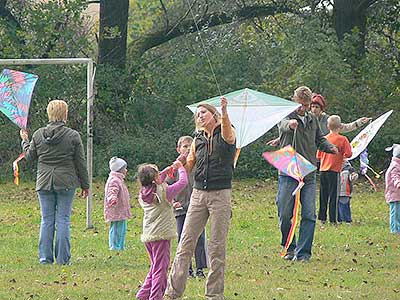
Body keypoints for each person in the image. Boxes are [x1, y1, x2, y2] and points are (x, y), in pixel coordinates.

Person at [164, 97, 236, 300]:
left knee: (216, 247)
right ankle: (172, 293)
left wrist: (224, 111)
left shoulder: (227, 134)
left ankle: (214, 295)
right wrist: (178, 168)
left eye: (203, 112)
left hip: (220, 194)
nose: (199, 116)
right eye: (197, 114)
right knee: (185, 243)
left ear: (213, 114)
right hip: (198, 195)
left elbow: (228, 132)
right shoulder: (198, 140)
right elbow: (189, 165)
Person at [20, 99, 89, 265]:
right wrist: (85, 184)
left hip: (44, 182)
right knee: (63, 219)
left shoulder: (37, 134)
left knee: (46, 220)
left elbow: (29, 157)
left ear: (49, 113)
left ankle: (45, 258)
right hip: (66, 181)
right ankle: (63, 259)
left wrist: (24, 140)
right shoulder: (73, 135)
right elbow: (80, 162)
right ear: (65, 114)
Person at [276, 86, 337, 262]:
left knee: (309, 214)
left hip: (308, 173)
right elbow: (283, 126)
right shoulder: (286, 115)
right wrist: (291, 124)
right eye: (299, 105)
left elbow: (319, 139)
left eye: (306, 105)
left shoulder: (312, 119)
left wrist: (329, 147)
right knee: (285, 213)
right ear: (293, 101)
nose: (302, 108)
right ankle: (289, 247)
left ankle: (303, 253)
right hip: (288, 170)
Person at [136, 160, 188, 300]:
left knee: (155, 266)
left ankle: (143, 294)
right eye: (158, 173)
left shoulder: (145, 193)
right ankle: (156, 296)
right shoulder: (164, 192)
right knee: (161, 269)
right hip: (161, 236)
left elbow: (160, 180)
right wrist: (181, 168)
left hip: (149, 235)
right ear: (154, 179)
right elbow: (183, 183)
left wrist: (169, 169)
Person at [167, 136, 207, 279]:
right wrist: (172, 202)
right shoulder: (174, 168)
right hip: (181, 209)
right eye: (184, 146)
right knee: (183, 238)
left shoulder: (199, 165)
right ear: (178, 149)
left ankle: (200, 268)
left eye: (190, 147)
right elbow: (165, 187)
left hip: (197, 207)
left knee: (200, 238)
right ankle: (186, 268)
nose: (187, 149)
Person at [266, 93, 370, 146]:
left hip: (323, 151)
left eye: (317, 107)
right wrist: (279, 140)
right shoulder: (306, 119)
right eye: (312, 107)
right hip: (310, 151)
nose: (314, 109)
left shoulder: (328, 120)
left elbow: (344, 127)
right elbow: (298, 133)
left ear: (321, 109)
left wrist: (359, 122)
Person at [316, 115, 352, 224]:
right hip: (334, 171)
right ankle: (333, 219)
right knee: (334, 196)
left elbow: (318, 155)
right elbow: (349, 154)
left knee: (323, 195)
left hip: (323, 170)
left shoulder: (324, 139)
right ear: (340, 126)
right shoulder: (343, 139)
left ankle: (322, 218)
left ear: (328, 126)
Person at [104, 157, 131, 250]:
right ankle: (114, 246)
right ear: (120, 170)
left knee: (122, 229)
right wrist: (112, 198)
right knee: (116, 229)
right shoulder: (114, 180)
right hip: (116, 209)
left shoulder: (119, 180)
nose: (126, 170)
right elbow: (112, 191)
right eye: (125, 168)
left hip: (121, 209)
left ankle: (121, 245)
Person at [384, 144, 400, 234]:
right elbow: (395, 176)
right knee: (395, 213)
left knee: (398, 212)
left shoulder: (397, 164)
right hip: (394, 193)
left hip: (397, 193)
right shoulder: (395, 165)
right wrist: (398, 183)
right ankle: (394, 230)